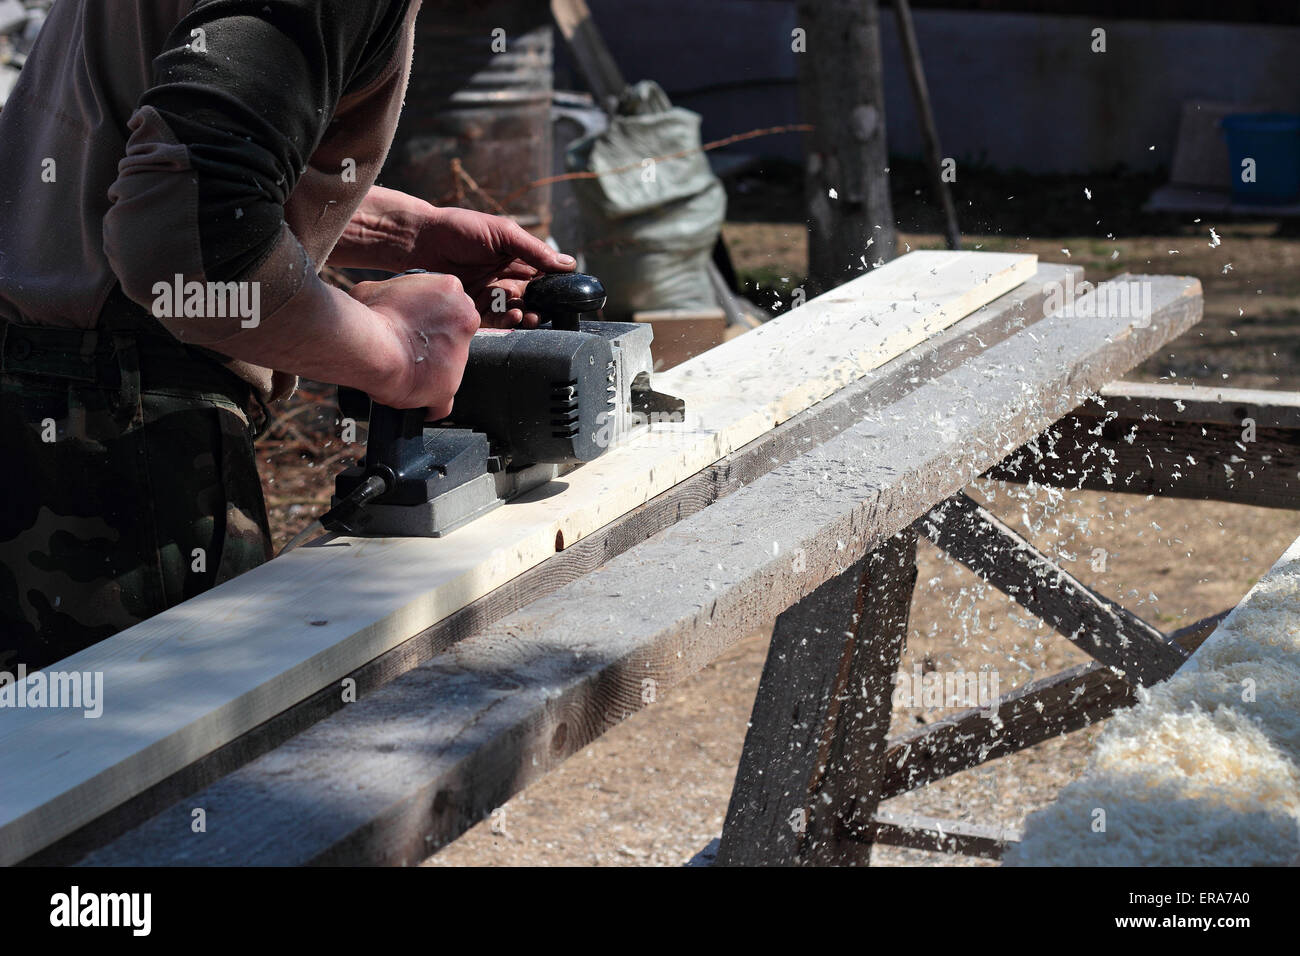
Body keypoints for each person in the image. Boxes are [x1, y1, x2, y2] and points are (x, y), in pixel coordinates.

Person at [0, 0, 574, 670]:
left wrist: (398, 233)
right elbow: (183, 244)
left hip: (43, 387)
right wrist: (396, 353)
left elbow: (140, 159)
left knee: (35, 762)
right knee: (150, 766)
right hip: (112, 441)